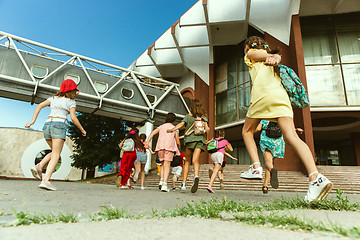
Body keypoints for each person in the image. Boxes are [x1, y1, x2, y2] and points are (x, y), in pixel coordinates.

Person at [240, 36, 333, 202]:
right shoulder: (269, 57)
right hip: (282, 100)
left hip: (264, 97)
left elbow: (258, 54)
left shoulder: (251, 53)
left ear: (247, 46)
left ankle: (256, 167)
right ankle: (316, 177)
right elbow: (269, 55)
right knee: (292, 137)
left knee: (247, 131)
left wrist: (275, 56)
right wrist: (276, 57)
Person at [25, 79, 86, 191]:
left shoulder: (53, 98)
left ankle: (39, 166)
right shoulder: (71, 102)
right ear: (69, 91)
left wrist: (32, 121)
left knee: (54, 152)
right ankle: (46, 180)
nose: (74, 94)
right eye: (73, 91)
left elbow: (39, 106)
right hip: (59, 125)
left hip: (47, 125)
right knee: (56, 154)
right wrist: (82, 129)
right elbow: (73, 117)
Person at [167, 99, 209, 193]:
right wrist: (206, 139)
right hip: (200, 140)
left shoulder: (188, 117)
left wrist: (172, 130)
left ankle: (184, 184)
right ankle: (196, 176)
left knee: (187, 161)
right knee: (196, 160)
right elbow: (207, 129)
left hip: (190, 141)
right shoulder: (204, 118)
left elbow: (181, 125)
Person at [258, 120, 304, 194]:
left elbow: (258, 128)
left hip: (266, 141)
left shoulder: (264, 118)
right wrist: (296, 130)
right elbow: (286, 128)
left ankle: (272, 171)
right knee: (270, 163)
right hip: (278, 142)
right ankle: (265, 185)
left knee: (268, 162)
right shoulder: (279, 118)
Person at [146, 113, 180, 192]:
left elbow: (152, 133)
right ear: (174, 120)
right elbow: (177, 141)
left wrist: (147, 142)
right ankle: (164, 184)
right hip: (169, 148)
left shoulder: (161, 127)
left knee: (162, 164)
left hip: (160, 147)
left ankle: (161, 179)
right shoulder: (175, 128)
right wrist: (178, 148)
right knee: (167, 165)